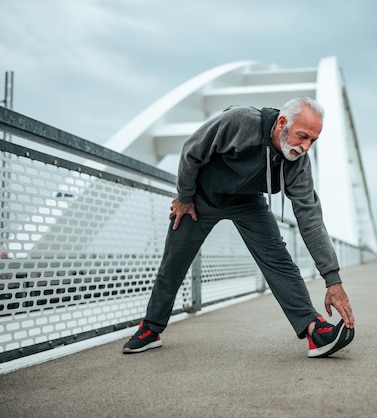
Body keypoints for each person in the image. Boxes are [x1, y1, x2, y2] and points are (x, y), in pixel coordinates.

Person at [122, 96, 355, 358]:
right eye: (302, 136)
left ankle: (315, 330)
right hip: (201, 198)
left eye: (313, 140)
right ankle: (150, 328)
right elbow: (192, 150)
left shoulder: (298, 163)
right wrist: (185, 197)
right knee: (174, 262)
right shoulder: (241, 121)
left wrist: (332, 279)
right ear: (281, 123)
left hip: (248, 202)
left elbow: (310, 217)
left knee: (279, 261)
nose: (305, 147)